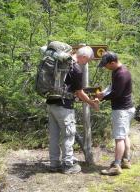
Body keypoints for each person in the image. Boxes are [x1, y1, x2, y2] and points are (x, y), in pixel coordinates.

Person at [46, 46, 99, 174]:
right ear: (84, 57)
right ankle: (68, 164)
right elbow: (80, 93)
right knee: (68, 135)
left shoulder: (59, 63)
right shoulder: (75, 69)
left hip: (51, 103)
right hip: (64, 106)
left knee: (53, 135)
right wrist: (92, 103)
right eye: (88, 60)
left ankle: (54, 164)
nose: (87, 63)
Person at [96, 51, 135, 176]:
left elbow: (116, 93)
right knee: (124, 135)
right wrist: (104, 93)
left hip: (122, 110)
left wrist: (102, 98)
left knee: (119, 138)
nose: (105, 67)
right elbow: (112, 87)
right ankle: (125, 160)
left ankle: (116, 165)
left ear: (112, 63)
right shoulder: (116, 71)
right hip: (125, 108)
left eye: (106, 65)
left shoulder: (122, 73)